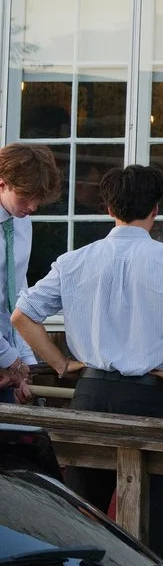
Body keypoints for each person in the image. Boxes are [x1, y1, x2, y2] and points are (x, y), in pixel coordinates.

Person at [10, 164, 163, 555]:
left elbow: (23, 316)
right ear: (156, 209)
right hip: (146, 399)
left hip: (90, 395)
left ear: (109, 208)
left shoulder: (75, 261)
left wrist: (61, 364)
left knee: (79, 517)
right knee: (149, 516)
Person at [0, 145, 64, 403]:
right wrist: (10, 359)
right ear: (2, 184)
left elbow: (17, 292)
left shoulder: (22, 221)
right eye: (26, 196)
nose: (34, 206)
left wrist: (23, 362)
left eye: (38, 198)